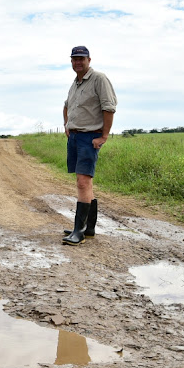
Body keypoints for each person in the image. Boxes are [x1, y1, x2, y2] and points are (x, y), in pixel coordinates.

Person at [62, 45, 117, 245]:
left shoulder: (99, 79)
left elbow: (109, 108)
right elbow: (66, 105)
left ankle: (79, 231)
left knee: (83, 182)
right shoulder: (75, 83)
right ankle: (89, 228)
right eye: (74, 59)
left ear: (89, 60)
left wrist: (104, 136)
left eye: (81, 59)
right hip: (75, 137)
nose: (77, 62)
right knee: (84, 182)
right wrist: (66, 125)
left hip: (89, 137)